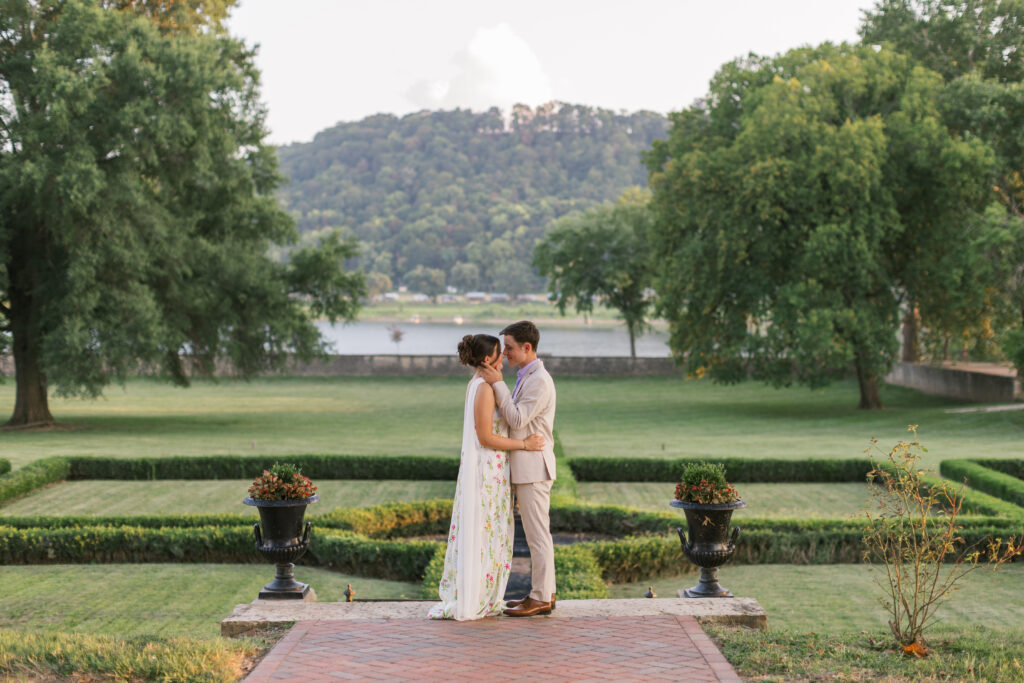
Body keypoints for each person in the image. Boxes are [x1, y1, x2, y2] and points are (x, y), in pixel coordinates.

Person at [427, 333, 546, 620]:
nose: (504, 356)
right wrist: (524, 444)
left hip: (494, 470)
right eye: (499, 352)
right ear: (486, 360)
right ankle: (477, 596)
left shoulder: (482, 385)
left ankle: (486, 595)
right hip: (487, 470)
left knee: (491, 532)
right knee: (485, 532)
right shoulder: (484, 389)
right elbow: (485, 437)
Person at [478, 320, 557, 617]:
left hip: (534, 468)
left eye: (510, 348)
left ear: (527, 347)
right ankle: (544, 593)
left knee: (538, 536)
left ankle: (540, 597)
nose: (505, 353)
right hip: (528, 467)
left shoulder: (539, 380)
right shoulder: (528, 375)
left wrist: (497, 382)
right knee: (539, 535)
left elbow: (517, 420)